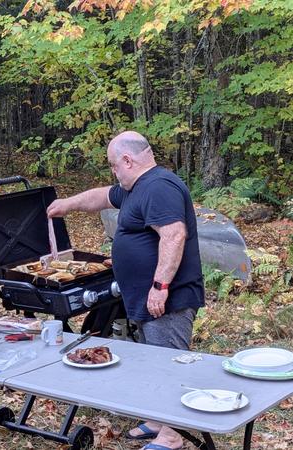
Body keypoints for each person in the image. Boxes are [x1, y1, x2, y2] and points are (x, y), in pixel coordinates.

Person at [47, 130, 205, 450]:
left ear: (127, 160)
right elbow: (101, 197)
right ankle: (160, 419)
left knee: (170, 361)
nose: (113, 172)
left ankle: (173, 436)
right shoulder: (134, 189)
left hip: (169, 298)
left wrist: (160, 286)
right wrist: (66, 205)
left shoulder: (159, 187)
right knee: (152, 358)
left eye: (113, 166)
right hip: (147, 298)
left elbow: (174, 236)